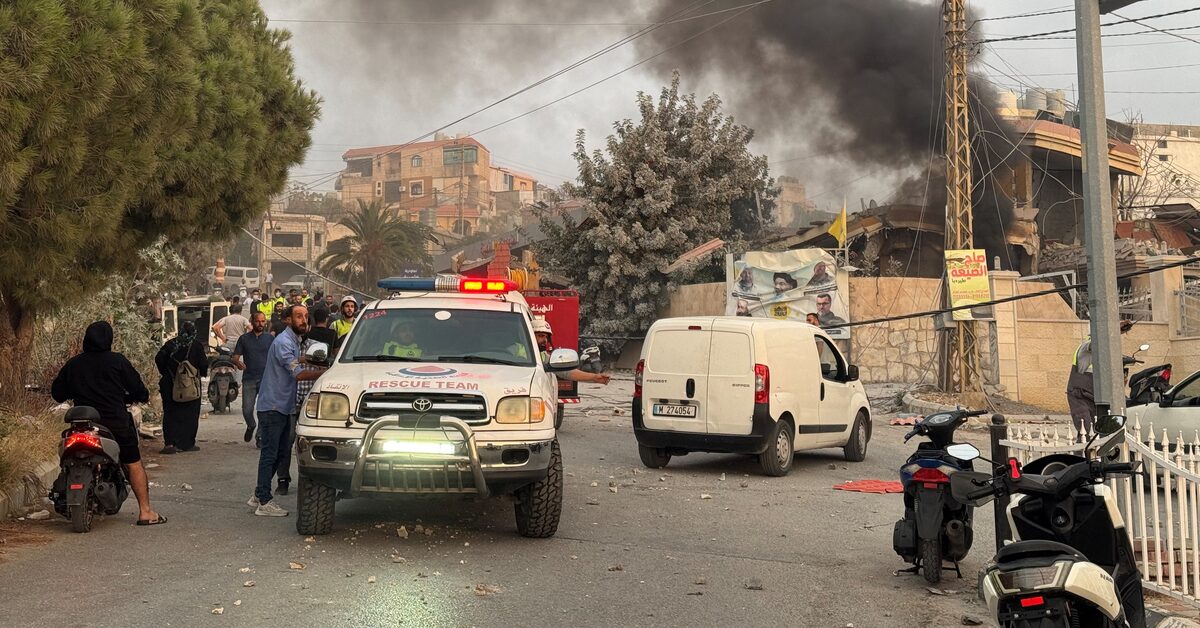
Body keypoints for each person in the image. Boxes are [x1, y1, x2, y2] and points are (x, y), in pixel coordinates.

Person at [51, 321, 165, 526]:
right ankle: (145, 512)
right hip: (116, 424)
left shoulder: (74, 364)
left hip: (81, 425)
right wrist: (138, 396)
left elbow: (57, 393)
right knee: (133, 464)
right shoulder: (117, 362)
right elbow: (139, 390)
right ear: (109, 340)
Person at [250, 305, 324, 516]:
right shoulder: (284, 342)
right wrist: (324, 373)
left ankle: (258, 493)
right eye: (299, 316)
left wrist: (308, 359)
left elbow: (294, 360)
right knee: (270, 454)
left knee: (281, 453)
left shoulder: (292, 341)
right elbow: (297, 374)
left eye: (306, 316)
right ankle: (264, 501)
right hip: (273, 406)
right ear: (288, 320)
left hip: (283, 406)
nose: (304, 320)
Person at [1067, 319, 1134, 440]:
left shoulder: (1102, 353)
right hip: (1079, 395)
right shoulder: (1086, 346)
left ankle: (1092, 449)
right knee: (1085, 430)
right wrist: (1115, 328)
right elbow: (1097, 342)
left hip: (1093, 395)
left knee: (1098, 429)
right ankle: (1083, 450)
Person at [276, 337, 325, 495]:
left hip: (311, 405)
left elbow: (325, 368)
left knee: (311, 443)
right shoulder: (284, 345)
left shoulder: (316, 346)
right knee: (286, 442)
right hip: (290, 402)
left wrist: (315, 363)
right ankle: (282, 479)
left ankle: (313, 480)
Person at [154, 321, 209, 454]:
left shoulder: (170, 344)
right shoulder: (196, 346)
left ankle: (170, 443)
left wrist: (167, 373)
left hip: (170, 385)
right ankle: (187, 444)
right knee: (191, 414)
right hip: (189, 387)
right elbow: (203, 365)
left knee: (170, 414)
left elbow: (159, 359)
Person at [233, 312, 275, 444]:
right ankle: (251, 425)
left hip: (265, 380)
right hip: (249, 379)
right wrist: (238, 363)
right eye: (258, 321)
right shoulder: (244, 339)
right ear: (252, 322)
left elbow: (276, 357)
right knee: (247, 410)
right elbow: (235, 357)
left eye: (263, 321)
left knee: (264, 410)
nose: (260, 324)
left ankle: (260, 436)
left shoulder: (270, 339)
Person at [532, 319, 610, 385]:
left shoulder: (543, 356)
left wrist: (594, 377)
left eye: (546, 337)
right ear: (531, 335)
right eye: (541, 336)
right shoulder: (525, 353)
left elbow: (567, 372)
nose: (545, 340)